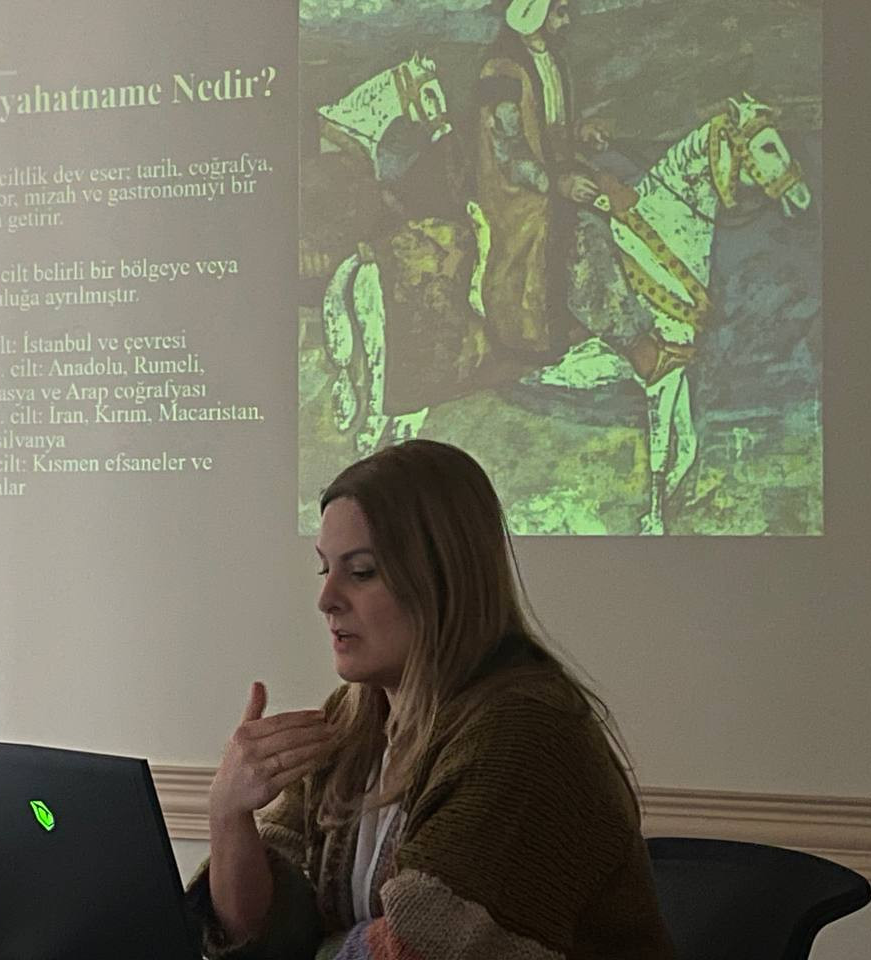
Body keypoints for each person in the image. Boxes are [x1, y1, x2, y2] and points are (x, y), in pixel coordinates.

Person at [185, 440, 674, 959]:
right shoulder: (348, 720)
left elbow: (420, 947)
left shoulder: (527, 733)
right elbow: (267, 930)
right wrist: (228, 815)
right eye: (326, 569)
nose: (326, 599)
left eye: (362, 571)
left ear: (444, 577)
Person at [475, 0, 611, 362]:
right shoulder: (501, 70)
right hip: (516, 187)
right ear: (535, 12)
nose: (566, 20)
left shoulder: (554, 60)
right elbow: (508, 152)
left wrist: (582, 133)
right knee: (559, 224)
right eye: (559, 11)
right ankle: (540, 337)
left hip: (554, 172)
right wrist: (560, 184)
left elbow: (551, 127)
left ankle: (595, 318)